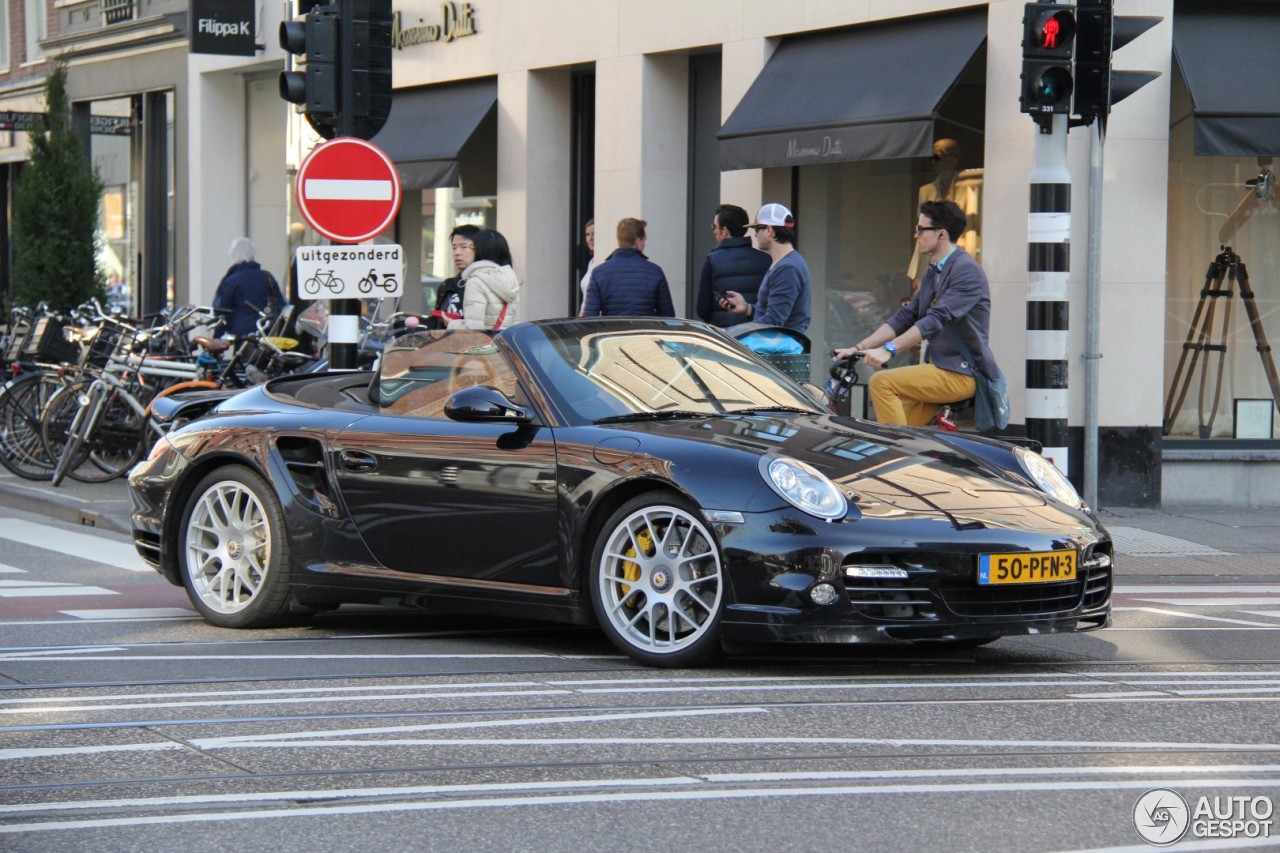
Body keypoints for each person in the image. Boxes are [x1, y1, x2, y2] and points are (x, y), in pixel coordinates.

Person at [835, 199, 1001, 426]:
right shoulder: (934, 272)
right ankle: (903, 454)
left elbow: (936, 319)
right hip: (939, 369)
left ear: (941, 234)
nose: (916, 235)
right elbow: (906, 316)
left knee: (882, 383)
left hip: (962, 373)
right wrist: (859, 347)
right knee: (902, 427)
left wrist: (889, 350)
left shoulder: (966, 271)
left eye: (921, 229)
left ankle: (897, 454)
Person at [718, 203, 811, 332]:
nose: (755, 235)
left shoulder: (788, 268)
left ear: (769, 230)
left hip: (778, 349)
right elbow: (773, 315)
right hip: (775, 347)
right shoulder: (785, 264)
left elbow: (773, 321)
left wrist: (727, 332)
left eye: (757, 229)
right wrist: (747, 308)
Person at [695, 204, 771, 328]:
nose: (714, 231)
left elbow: (703, 308)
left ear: (724, 231)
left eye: (715, 226)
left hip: (725, 334)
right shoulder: (766, 259)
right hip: (757, 331)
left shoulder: (712, 260)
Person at [582, 217, 675, 317]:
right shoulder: (655, 272)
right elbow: (667, 316)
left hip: (611, 331)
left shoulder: (599, 273)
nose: (644, 245)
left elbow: (590, 317)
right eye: (644, 241)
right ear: (638, 241)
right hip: (645, 331)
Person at [449, 228, 520, 331]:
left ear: (480, 250)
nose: (458, 252)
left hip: (485, 346)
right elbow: (514, 326)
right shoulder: (512, 281)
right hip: (503, 345)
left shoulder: (476, 281)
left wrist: (452, 324)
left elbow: (473, 330)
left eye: (472, 247)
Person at [213, 237, 285, 338]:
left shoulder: (232, 280)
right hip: (267, 330)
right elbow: (281, 303)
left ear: (233, 255)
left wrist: (217, 336)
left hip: (242, 334)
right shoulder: (266, 277)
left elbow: (222, 311)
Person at [426, 224, 480, 329]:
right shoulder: (447, 285)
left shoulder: (484, 283)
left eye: (464, 247)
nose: (457, 253)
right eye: (454, 248)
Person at [577, 219, 596, 316]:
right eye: (587, 234)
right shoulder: (591, 263)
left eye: (594, 234)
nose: (590, 238)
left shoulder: (603, 263)